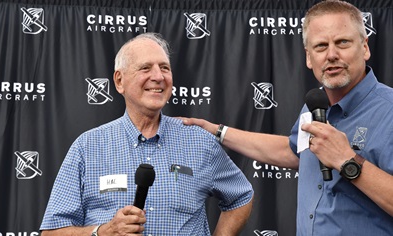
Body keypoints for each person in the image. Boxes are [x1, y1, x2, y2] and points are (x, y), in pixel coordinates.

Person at [182, 0, 393, 235]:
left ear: (364, 47)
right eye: (321, 46)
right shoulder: (314, 107)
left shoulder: (390, 111)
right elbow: (292, 151)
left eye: (342, 42)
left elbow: (342, 159)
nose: (332, 54)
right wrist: (219, 132)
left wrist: (347, 161)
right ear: (309, 58)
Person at [40, 32, 253, 236]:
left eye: (164, 68)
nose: (158, 77)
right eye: (145, 68)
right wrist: (103, 232)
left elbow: (241, 195)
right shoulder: (87, 147)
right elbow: (51, 233)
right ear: (119, 81)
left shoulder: (200, 142)